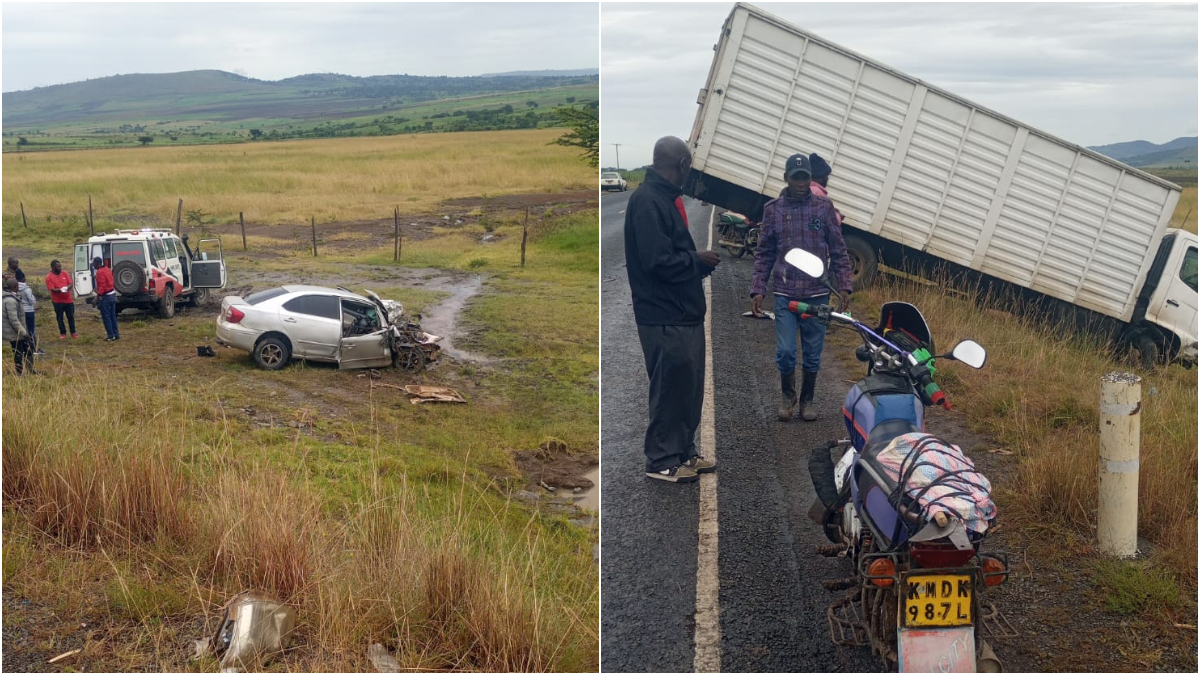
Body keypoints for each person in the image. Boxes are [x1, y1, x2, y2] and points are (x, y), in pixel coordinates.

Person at [625, 136, 721, 482]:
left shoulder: (665, 198)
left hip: (683, 313)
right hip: (663, 315)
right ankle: (661, 460)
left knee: (688, 387)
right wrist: (696, 261)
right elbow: (656, 261)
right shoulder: (647, 201)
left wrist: (697, 264)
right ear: (681, 165)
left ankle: (683, 451)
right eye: (688, 166)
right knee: (669, 388)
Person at [751, 153, 853, 422]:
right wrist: (757, 289)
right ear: (786, 177)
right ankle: (788, 396)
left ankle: (807, 401)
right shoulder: (773, 210)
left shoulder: (823, 208)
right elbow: (764, 253)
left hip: (817, 295)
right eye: (795, 177)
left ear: (811, 179)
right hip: (785, 294)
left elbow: (839, 250)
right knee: (785, 352)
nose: (800, 182)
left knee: (812, 355)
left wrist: (845, 285)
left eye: (805, 178)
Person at [3, 278, 34, 375]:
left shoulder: (12, 297)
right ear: (15, 286)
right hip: (14, 332)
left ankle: (30, 370)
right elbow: (14, 320)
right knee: (18, 353)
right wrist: (24, 332)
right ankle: (19, 373)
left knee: (28, 350)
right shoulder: (10, 301)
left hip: (18, 331)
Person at [808, 153, 843, 226]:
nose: (827, 179)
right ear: (820, 177)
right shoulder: (818, 193)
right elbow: (829, 223)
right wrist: (838, 216)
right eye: (826, 176)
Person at [46, 260, 78, 339]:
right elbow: (52, 289)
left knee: (70, 316)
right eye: (58, 267)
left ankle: (73, 332)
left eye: (60, 266)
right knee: (60, 317)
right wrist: (61, 290)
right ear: (53, 267)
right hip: (57, 301)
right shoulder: (49, 277)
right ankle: (63, 333)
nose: (60, 268)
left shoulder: (65, 273)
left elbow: (70, 283)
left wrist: (67, 288)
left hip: (68, 299)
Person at [93, 256, 120, 341]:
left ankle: (110, 336)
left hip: (106, 297)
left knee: (106, 317)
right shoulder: (107, 269)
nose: (93, 265)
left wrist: (97, 297)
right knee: (113, 316)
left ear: (97, 264)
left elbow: (103, 286)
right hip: (112, 295)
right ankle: (116, 334)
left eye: (93, 263)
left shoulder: (100, 272)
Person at [16, 277, 45, 355]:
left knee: (23, 330)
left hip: (21, 311)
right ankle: (34, 348)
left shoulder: (15, 288)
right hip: (29, 311)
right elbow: (32, 301)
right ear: (24, 279)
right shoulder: (27, 289)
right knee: (31, 331)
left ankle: (24, 348)